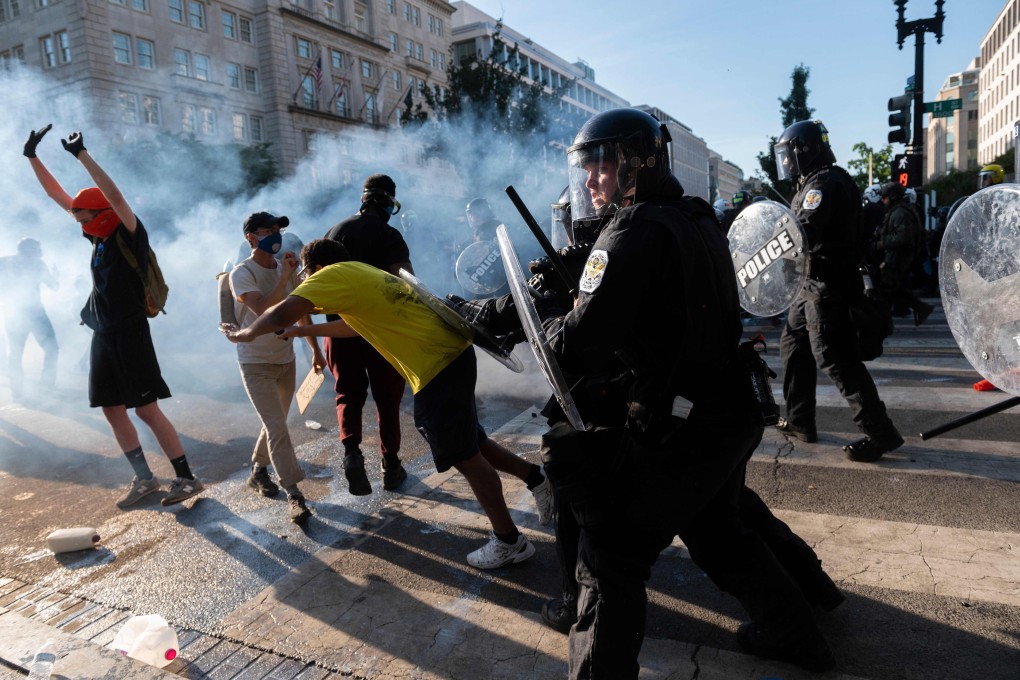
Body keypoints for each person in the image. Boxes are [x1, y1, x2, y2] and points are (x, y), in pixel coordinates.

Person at [536, 108, 835, 677]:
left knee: (610, 555)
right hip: (726, 409)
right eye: (587, 166)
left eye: (603, 163)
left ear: (636, 162)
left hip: (684, 425)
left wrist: (552, 312)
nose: (592, 178)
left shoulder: (634, 230)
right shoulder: (691, 215)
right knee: (721, 533)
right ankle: (797, 635)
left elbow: (578, 347)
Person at [225, 238, 554, 569]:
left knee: (465, 455)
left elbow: (281, 310)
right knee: (471, 440)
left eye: (307, 275)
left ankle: (510, 541)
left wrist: (245, 334)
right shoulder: (360, 273)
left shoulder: (329, 274)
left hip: (435, 364)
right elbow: (353, 326)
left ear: (316, 269)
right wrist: (298, 333)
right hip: (449, 355)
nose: (306, 283)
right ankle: (537, 478)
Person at [24, 125, 204, 507]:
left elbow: (115, 196)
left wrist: (82, 155)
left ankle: (187, 479)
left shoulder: (128, 233)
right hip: (102, 333)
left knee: (146, 409)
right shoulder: (98, 238)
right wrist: (32, 158)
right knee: (111, 408)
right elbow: (60, 197)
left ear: (101, 214)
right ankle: (145, 479)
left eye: (84, 215)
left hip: (130, 332)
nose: (78, 221)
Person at [772, 120, 903, 464]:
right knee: (793, 346)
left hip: (827, 287)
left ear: (805, 150)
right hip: (808, 287)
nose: (785, 163)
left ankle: (880, 431)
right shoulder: (813, 182)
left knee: (835, 357)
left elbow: (804, 231)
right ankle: (800, 420)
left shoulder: (825, 184)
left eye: (788, 155)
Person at [229, 211, 326, 524]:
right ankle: (294, 494)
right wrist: (285, 278)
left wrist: (314, 350)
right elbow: (262, 310)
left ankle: (258, 471)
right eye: (267, 230)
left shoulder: (289, 269)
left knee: (277, 422)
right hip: (255, 361)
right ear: (251, 238)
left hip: (285, 359)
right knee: (277, 427)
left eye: (277, 229)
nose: (275, 235)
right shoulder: (241, 273)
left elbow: (299, 311)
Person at [323, 174, 411, 496]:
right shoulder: (389, 234)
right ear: (388, 202)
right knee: (388, 399)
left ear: (363, 199)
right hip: (380, 333)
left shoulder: (334, 231)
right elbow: (405, 284)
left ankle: (352, 453)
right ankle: (391, 466)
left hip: (339, 330)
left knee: (347, 393)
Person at [0, 237, 59, 399]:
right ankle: (42, 386)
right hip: (29, 312)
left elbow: (53, 286)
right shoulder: (36, 264)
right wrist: (55, 276)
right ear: (28, 251)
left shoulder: (4, 262)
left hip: (19, 312)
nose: (39, 254)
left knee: (17, 351)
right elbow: (54, 286)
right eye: (36, 251)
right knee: (49, 349)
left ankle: (21, 389)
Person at [876, 183, 934, 326]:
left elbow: (903, 237)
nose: (883, 201)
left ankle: (918, 307)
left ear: (893, 197)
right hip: (897, 255)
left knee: (887, 284)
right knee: (892, 286)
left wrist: (882, 242)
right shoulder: (898, 211)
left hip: (899, 256)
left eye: (885, 197)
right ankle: (915, 307)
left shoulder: (900, 213)